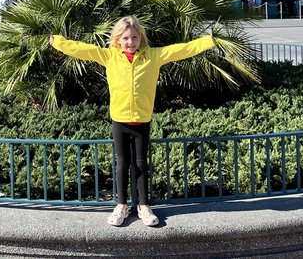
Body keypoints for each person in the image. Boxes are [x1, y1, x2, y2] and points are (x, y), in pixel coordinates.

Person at [50, 15, 215, 227]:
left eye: (135, 37)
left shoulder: (153, 56)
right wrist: (59, 42)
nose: (131, 42)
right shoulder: (109, 56)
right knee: (122, 163)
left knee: (140, 164)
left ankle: (144, 206)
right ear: (118, 39)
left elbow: (180, 50)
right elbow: (83, 49)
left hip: (142, 119)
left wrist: (208, 41)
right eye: (126, 38)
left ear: (140, 38)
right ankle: (121, 206)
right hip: (119, 119)